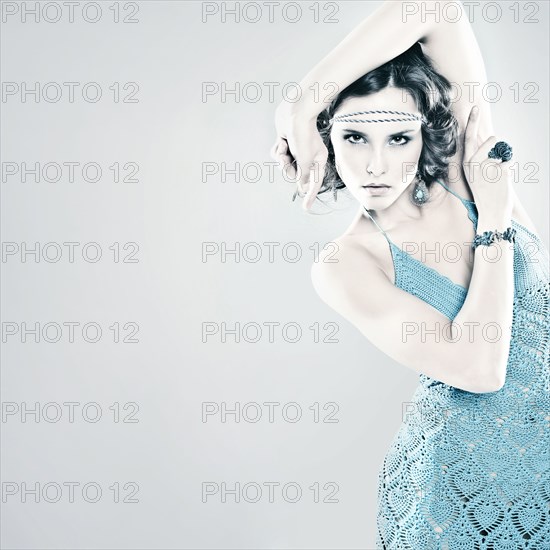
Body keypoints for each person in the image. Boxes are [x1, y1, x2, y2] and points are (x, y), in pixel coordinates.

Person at [270, 2, 549, 548]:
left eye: (399, 138)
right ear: (325, 143)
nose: (376, 165)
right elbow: (479, 367)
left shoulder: (460, 176)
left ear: (423, 138)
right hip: (457, 497)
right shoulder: (348, 263)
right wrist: (494, 223)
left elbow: (435, 10)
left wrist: (296, 106)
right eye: (354, 138)